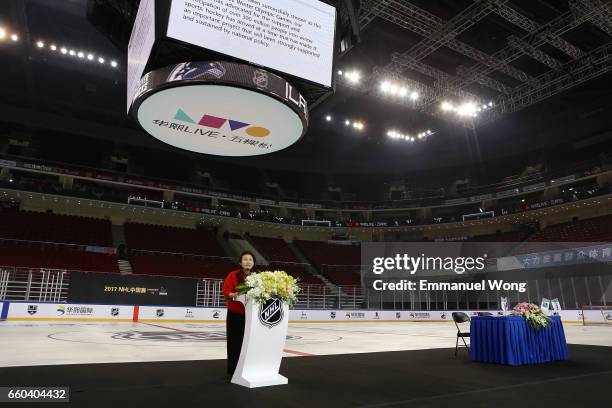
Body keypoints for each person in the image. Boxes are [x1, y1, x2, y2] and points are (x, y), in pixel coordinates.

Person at [222, 251, 256, 378]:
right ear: (240, 262)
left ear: (253, 263)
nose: (248, 262)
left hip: (251, 316)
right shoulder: (233, 275)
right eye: (245, 259)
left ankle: (247, 369)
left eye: (250, 260)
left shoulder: (256, 278)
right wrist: (235, 294)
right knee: (234, 343)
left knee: (247, 343)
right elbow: (226, 292)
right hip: (235, 314)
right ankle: (233, 370)